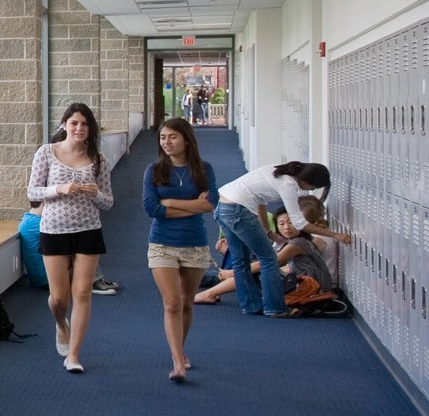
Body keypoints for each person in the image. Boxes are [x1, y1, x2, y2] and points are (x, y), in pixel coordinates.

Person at [27, 101, 113, 374]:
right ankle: (61, 323)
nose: (79, 128)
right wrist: (59, 188)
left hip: (88, 230)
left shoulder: (98, 160)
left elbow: (108, 202)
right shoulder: (46, 153)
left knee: (83, 293)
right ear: (64, 124)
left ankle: (73, 355)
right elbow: (33, 192)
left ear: (91, 129)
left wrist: (94, 194)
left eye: (85, 124)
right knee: (59, 298)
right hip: (53, 230)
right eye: (74, 122)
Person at [213, 161, 351, 316]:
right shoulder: (288, 185)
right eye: (313, 188)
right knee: (269, 259)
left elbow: (261, 203)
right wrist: (335, 235)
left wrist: (268, 232)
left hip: (223, 207)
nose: (311, 190)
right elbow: (300, 223)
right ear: (309, 181)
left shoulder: (277, 170)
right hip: (238, 211)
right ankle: (275, 307)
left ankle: (251, 306)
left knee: (241, 261)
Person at [142, 117, 217, 383]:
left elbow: (210, 205)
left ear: (186, 139)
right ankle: (177, 362)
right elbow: (152, 209)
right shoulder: (153, 171)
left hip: (195, 244)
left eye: (172, 137)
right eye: (163, 138)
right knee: (172, 302)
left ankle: (180, 349)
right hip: (162, 243)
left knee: (186, 301)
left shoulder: (203, 170)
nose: (167, 142)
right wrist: (190, 205)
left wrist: (171, 201)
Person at [196, 198, 338, 306]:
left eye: (292, 222)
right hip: (305, 280)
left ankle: (207, 289)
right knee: (252, 266)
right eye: (282, 223)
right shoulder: (298, 239)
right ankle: (207, 283)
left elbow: (274, 262)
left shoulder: (305, 241)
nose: (287, 227)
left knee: (257, 270)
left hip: (311, 286)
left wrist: (233, 272)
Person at [17, 200, 46, 288]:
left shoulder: (28, 219)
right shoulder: (37, 223)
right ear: (45, 202)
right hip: (45, 279)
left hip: (41, 278)